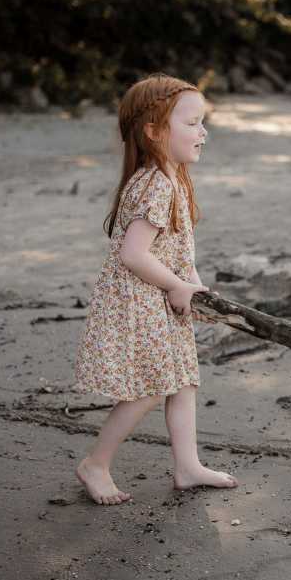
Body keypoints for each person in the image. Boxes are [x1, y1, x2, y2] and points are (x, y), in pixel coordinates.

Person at [73, 73, 237, 504]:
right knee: (149, 387)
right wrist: (177, 285)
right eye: (191, 123)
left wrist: (193, 286)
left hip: (161, 297)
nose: (203, 132)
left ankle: (187, 465)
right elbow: (134, 254)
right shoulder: (156, 184)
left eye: (203, 122)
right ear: (153, 130)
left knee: (183, 380)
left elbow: (178, 246)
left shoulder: (172, 177)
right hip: (139, 300)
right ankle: (96, 463)